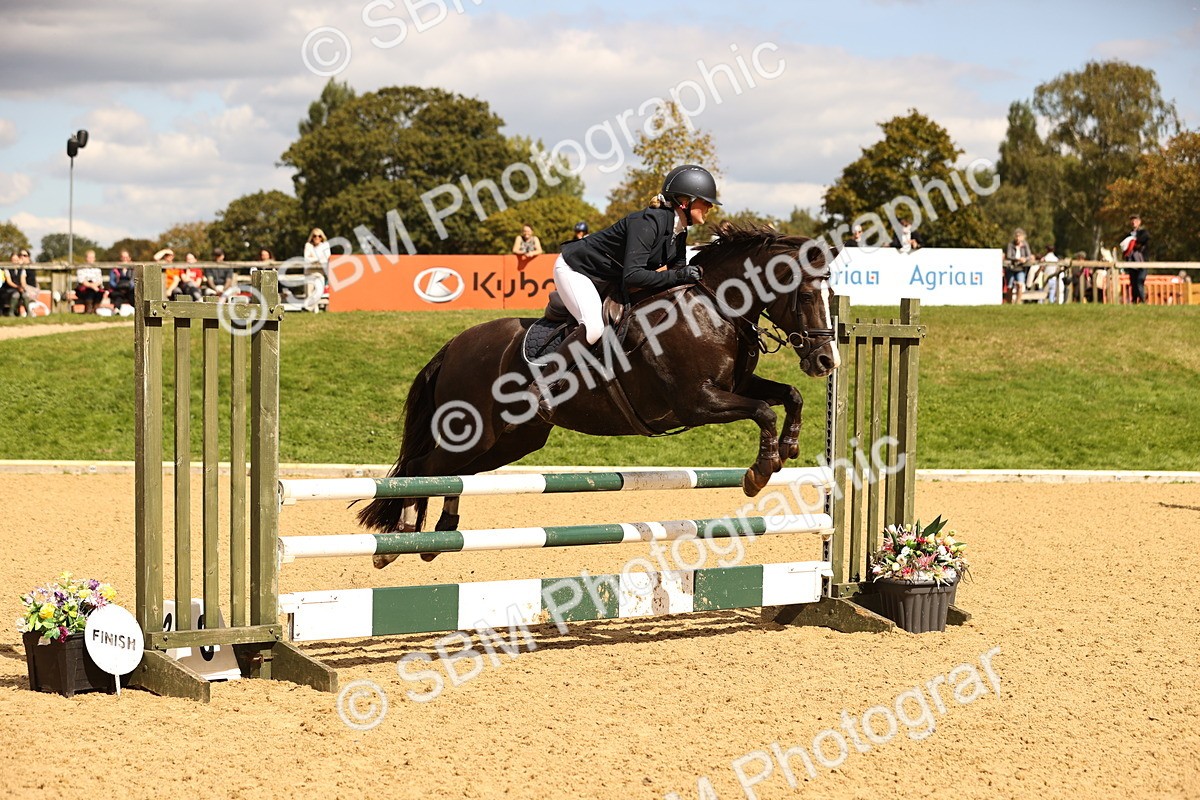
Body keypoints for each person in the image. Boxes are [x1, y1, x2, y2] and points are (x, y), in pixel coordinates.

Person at [524, 164, 718, 420]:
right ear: (684, 202)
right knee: (593, 327)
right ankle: (540, 386)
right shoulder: (648, 222)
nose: (709, 208)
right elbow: (634, 275)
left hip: (608, 278)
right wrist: (679, 275)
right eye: (705, 202)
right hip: (577, 270)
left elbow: (676, 278)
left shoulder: (678, 232)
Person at [1121, 214, 1150, 304]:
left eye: (1136, 221)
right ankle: (1134, 300)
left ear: (1139, 222)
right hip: (1131, 262)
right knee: (1133, 282)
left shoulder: (1143, 233)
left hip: (1142, 262)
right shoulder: (1128, 235)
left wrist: (1134, 242)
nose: (1134, 223)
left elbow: (1144, 239)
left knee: (1139, 281)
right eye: (1132, 221)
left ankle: (1142, 300)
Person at [1004, 228, 1035, 304]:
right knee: (1009, 286)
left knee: (1020, 285)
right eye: (1016, 236)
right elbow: (1009, 256)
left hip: (1020, 268)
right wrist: (1018, 259)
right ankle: (1009, 302)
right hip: (1011, 268)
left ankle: (1018, 302)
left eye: (1019, 236)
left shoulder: (1025, 245)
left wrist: (1024, 259)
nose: (1018, 238)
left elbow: (1029, 255)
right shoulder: (1010, 245)